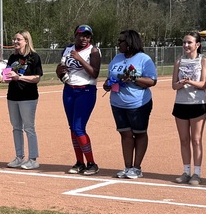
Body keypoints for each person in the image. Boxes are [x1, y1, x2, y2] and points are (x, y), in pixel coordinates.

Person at [105, 29, 158, 179]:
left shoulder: (143, 58)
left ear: (129, 43)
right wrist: (107, 84)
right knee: (125, 134)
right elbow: (110, 77)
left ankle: (137, 168)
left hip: (138, 104)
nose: (118, 44)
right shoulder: (117, 58)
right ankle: (128, 167)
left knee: (139, 134)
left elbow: (152, 81)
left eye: (120, 41)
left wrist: (134, 78)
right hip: (117, 103)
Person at [57, 24, 101, 176]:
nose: (84, 38)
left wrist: (80, 59)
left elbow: (94, 73)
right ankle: (79, 162)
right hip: (69, 90)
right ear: (75, 35)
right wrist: (60, 71)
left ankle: (91, 163)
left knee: (78, 128)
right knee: (72, 128)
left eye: (87, 36)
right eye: (82, 35)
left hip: (86, 91)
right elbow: (62, 66)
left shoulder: (93, 51)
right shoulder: (68, 49)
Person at [171, 31, 206, 185]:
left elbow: (203, 84)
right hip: (181, 104)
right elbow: (174, 85)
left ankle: (197, 173)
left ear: (197, 45)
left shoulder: (203, 60)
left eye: (190, 42)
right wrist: (181, 83)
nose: (186, 45)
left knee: (196, 140)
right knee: (184, 140)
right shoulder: (179, 61)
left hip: (197, 104)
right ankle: (186, 171)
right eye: (184, 42)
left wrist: (189, 82)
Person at [2, 30, 43, 170]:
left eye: (18, 39)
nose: (15, 42)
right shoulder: (12, 58)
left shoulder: (34, 57)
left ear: (26, 41)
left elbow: (37, 78)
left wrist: (19, 77)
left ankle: (33, 159)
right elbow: (8, 77)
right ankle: (19, 157)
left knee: (29, 128)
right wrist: (5, 77)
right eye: (14, 39)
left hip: (28, 97)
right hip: (12, 96)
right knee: (16, 128)